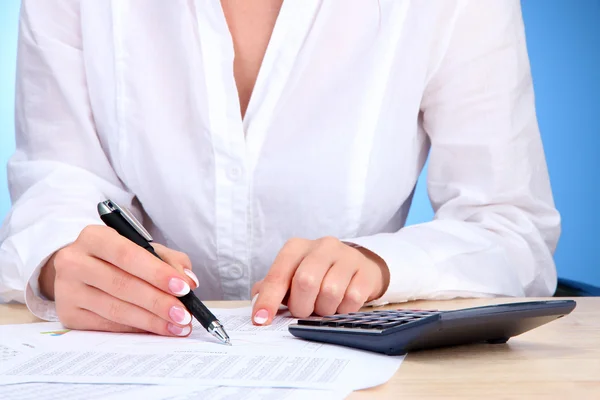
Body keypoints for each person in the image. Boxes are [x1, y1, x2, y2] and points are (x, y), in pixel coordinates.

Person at [0, 0, 560, 338]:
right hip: (129, 366)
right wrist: (59, 263)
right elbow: (57, 181)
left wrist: (382, 267)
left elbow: (511, 230)